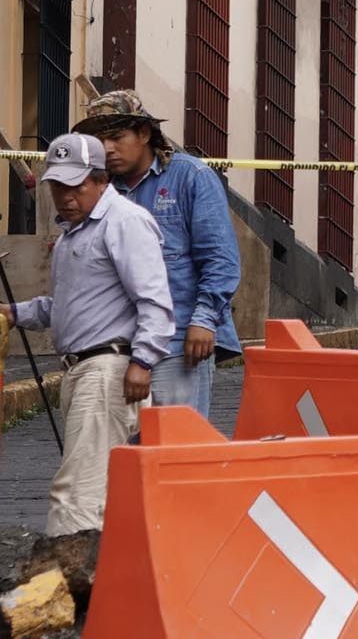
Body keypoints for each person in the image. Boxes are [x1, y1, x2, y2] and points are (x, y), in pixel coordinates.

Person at [0, 135, 175, 536]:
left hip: (107, 368)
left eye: (76, 185)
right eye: (58, 186)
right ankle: (94, 579)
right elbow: (66, 305)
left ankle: (65, 581)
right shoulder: (76, 231)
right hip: (82, 369)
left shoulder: (124, 222)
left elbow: (154, 299)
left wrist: (143, 361)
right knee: (93, 484)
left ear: (101, 179)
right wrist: (16, 312)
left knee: (78, 491)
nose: (66, 196)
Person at [75, 90, 240, 419]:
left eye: (116, 137)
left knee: (174, 449)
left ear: (144, 133)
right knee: (125, 455)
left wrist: (204, 320)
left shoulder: (191, 177)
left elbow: (220, 258)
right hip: (118, 343)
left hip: (180, 340)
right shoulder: (101, 189)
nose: (107, 148)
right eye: (99, 140)